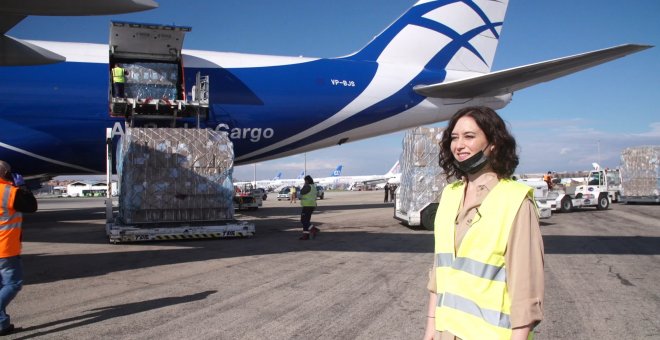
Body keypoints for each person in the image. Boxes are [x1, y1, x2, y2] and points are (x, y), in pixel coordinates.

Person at [423, 106, 544, 340]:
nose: (459, 145)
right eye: (454, 138)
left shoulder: (514, 199)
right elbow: (440, 269)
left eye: (469, 136)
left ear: (493, 144)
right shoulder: (450, 194)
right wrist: (431, 329)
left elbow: (525, 286)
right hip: (446, 332)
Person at [0, 161, 38, 336]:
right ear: (6, 173)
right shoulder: (7, 192)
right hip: (5, 249)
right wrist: (23, 187)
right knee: (13, 283)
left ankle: (2, 325)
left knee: (2, 286)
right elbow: (31, 206)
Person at [298, 175, 319, 240]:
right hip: (312, 205)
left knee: (303, 220)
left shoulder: (307, 186)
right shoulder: (314, 187)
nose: (305, 182)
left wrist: (304, 185)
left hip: (307, 206)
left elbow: (301, 192)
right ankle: (306, 235)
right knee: (306, 221)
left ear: (307, 180)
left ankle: (313, 229)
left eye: (305, 181)